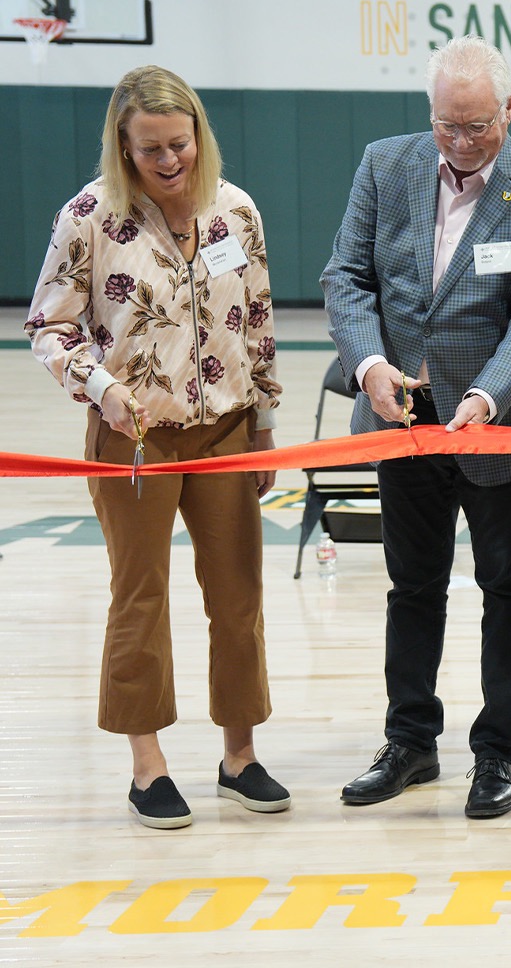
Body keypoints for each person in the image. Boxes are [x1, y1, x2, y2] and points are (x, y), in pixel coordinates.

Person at [322, 34, 511, 820]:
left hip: (495, 426)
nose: (462, 144)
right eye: (447, 127)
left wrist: (489, 397)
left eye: (478, 127)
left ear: (509, 109)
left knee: (507, 588)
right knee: (413, 586)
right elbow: (347, 276)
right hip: (402, 416)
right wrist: (369, 366)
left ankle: (495, 750)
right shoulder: (384, 164)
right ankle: (411, 742)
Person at [25, 65, 286, 829]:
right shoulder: (89, 217)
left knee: (237, 598)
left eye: (181, 143)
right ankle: (148, 767)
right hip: (132, 437)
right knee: (140, 597)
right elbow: (48, 326)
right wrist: (97, 385)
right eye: (151, 150)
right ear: (122, 147)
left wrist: (265, 423)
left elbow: (260, 323)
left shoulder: (234, 211)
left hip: (227, 430)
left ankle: (239, 757)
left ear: (200, 134)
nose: (170, 161)